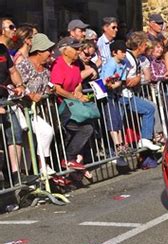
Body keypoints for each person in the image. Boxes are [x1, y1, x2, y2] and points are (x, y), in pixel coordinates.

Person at [50, 37, 96, 174]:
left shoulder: (76, 64)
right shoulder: (58, 64)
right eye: (75, 48)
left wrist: (78, 92)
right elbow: (56, 88)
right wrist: (72, 96)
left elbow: (78, 83)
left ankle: (69, 160)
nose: (79, 51)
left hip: (73, 106)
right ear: (65, 51)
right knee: (78, 130)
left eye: (79, 48)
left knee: (86, 128)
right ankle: (65, 162)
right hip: (61, 107)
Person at [16, 33, 56, 177]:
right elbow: (16, 83)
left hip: (33, 111)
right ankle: (23, 177)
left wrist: (49, 91)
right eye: (48, 50)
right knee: (25, 144)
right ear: (39, 51)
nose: (51, 54)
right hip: (19, 109)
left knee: (46, 132)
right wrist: (29, 93)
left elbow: (44, 88)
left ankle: (42, 166)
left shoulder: (46, 71)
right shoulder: (24, 65)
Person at [119, 31, 162, 151]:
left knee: (149, 109)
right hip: (121, 96)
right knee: (118, 123)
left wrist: (137, 78)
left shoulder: (137, 59)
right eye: (144, 45)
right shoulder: (127, 58)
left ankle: (145, 139)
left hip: (129, 95)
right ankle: (117, 150)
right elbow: (123, 78)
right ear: (140, 45)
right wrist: (137, 78)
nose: (146, 47)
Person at [0, 35, 27, 186]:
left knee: (15, 133)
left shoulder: (3, 50)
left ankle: (16, 175)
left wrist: (20, 85)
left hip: (5, 100)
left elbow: (13, 71)